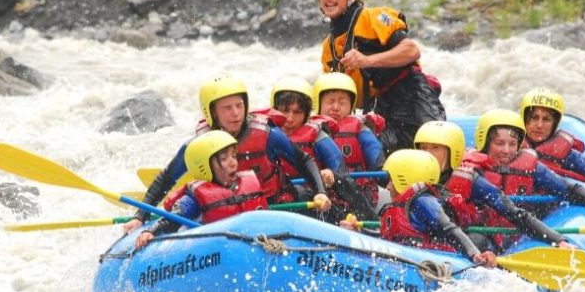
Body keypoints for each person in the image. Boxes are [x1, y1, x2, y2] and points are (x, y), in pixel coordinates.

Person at [123, 76, 331, 233]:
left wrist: (320, 191)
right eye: (227, 108)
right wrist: (140, 217)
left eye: (239, 106)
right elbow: (165, 179)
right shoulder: (198, 145)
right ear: (212, 112)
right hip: (221, 214)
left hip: (273, 207)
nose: (236, 113)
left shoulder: (268, 135)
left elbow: (304, 159)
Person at [313, 0, 445, 155]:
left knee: (432, 144)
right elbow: (343, 98)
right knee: (382, 153)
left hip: (413, 95)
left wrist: (366, 61)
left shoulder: (373, 18)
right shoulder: (328, 47)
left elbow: (411, 50)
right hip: (382, 106)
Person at [413, 121, 573, 252]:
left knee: (477, 239)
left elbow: (514, 213)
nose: (427, 153)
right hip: (418, 242)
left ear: (453, 152)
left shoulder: (472, 180)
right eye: (424, 148)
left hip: (463, 244)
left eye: (435, 148)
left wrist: (558, 240)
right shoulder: (407, 171)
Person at [342, 149, 497, 266]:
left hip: (434, 267)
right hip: (408, 262)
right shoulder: (397, 208)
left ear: (405, 179)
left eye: (391, 180)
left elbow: (450, 229)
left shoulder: (423, 202)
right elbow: (386, 241)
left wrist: (474, 254)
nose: (388, 187)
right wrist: (359, 233)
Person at [467, 109, 585, 223]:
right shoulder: (469, 169)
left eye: (512, 144)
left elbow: (566, 188)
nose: (506, 150)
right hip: (483, 233)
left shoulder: (529, 166)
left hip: (518, 230)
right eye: (499, 143)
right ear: (485, 142)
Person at [269, 76, 377, 221]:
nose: (289, 118)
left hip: (316, 197)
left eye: (297, 112)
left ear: (307, 113)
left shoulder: (318, 136)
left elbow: (340, 172)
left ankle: (371, 222)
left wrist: (331, 174)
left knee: (338, 183)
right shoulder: (265, 135)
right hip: (279, 199)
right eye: (285, 111)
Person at [135, 131, 267, 249]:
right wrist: (151, 231)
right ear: (204, 167)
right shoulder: (194, 198)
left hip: (252, 241)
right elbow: (173, 219)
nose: (233, 163)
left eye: (233, 156)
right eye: (224, 158)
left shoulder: (246, 184)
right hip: (216, 249)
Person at [311, 72, 387, 209]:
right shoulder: (309, 130)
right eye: (330, 101)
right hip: (321, 193)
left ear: (351, 105)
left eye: (342, 102)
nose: (335, 107)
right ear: (318, 102)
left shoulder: (359, 128)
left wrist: (381, 170)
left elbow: (373, 149)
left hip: (359, 191)